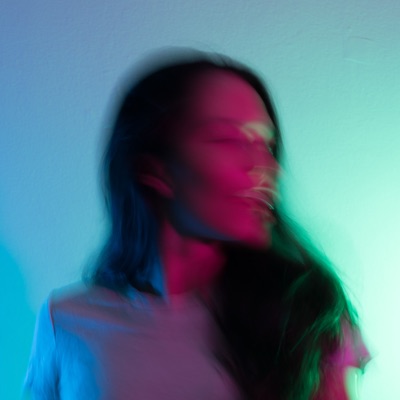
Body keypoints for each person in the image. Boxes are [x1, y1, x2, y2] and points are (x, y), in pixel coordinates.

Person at [24, 49, 371, 399]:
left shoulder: (306, 315)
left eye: (266, 145)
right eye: (228, 140)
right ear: (154, 169)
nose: (264, 167)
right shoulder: (66, 322)